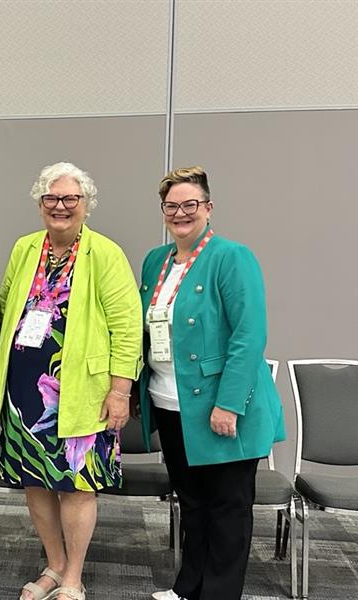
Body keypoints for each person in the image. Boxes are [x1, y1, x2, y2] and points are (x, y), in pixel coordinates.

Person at [0, 162, 142, 600]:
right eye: (51, 199)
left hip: (81, 393)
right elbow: (4, 308)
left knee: (77, 484)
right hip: (25, 392)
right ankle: (54, 565)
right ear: (40, 205)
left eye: (70, 199)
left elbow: (127, 326)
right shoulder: (25, 248)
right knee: (35, 481)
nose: (60, 207)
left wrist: (120, 391)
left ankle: (74, 577)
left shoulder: (105, 253)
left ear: (85, 205)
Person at [137, 166, 285, 600]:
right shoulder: (156, 261)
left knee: (228, 509)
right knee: (193, 504)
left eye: (190, 204)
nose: (180, 213)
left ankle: (219, 593)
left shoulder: (231, 256)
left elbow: (249, 335)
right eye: (172, 206)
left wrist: (230, 403)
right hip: (169, 402)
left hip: (219, 407)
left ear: (208, 207)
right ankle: (189, 588)